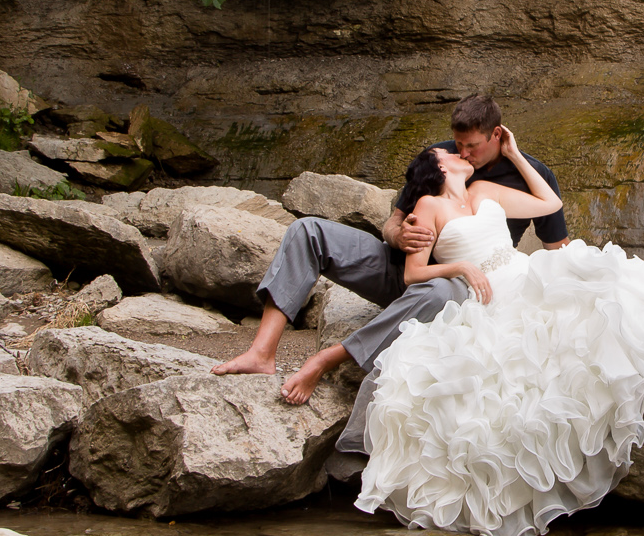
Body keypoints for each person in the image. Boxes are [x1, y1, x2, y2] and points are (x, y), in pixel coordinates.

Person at [352, 125, 644, 536]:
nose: (459, 153)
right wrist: (460, 268)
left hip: (526, 273)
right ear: (436, 167)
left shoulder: (484, 190)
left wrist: (517, 153)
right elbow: (414, 273)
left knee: (614, 282)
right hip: (493, 297)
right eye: (449, 152)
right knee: (580, 319)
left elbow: (550, 202)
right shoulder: (428, 205)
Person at [211, 95, 567, 413]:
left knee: (442, 290)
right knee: (308, 230)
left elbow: (556, 247)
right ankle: (262, 352)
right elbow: (391, 223)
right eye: (457, 144)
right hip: (402, 268)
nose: (463, 153)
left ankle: (329, 359)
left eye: (471, 146)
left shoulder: (531, 175)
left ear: (496, 135)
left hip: (455, 288)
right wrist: (401, 235)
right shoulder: (439, 155)